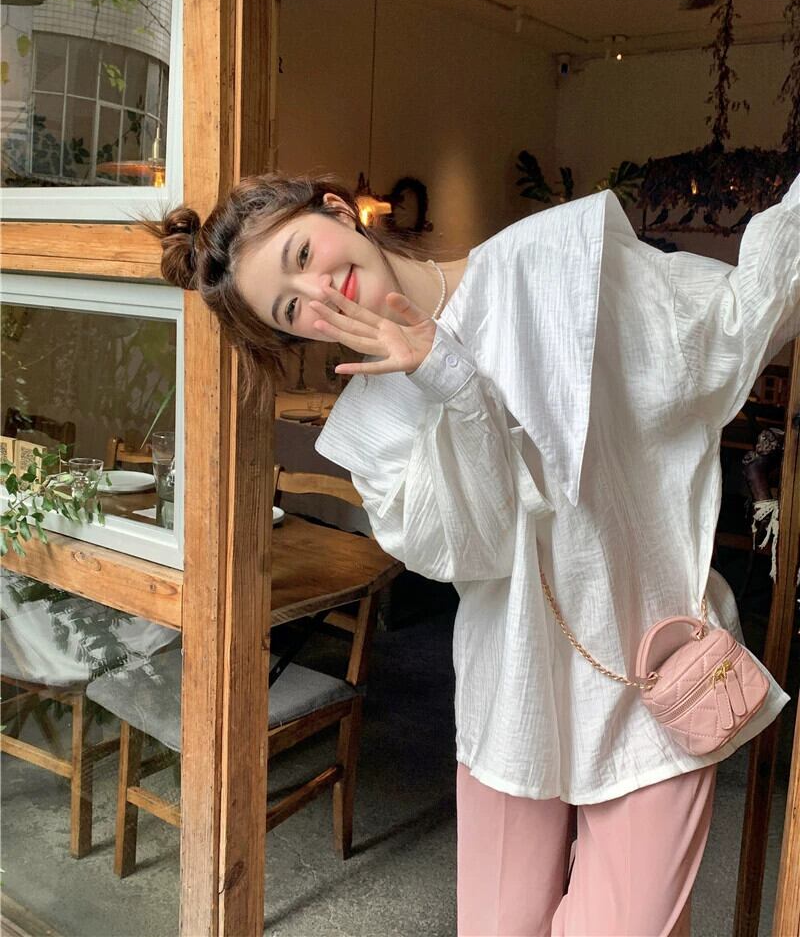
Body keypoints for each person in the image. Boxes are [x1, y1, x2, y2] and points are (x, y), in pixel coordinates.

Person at [153, 172, 799, 936]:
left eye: (302, 254)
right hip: (513, 702)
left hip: (650, 679)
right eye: (291, 309)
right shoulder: (371, 428)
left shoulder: (551, 261)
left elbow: (725, 327)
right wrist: (448, 380)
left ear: (337, 211)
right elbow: (479, 548)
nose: (318, 291)